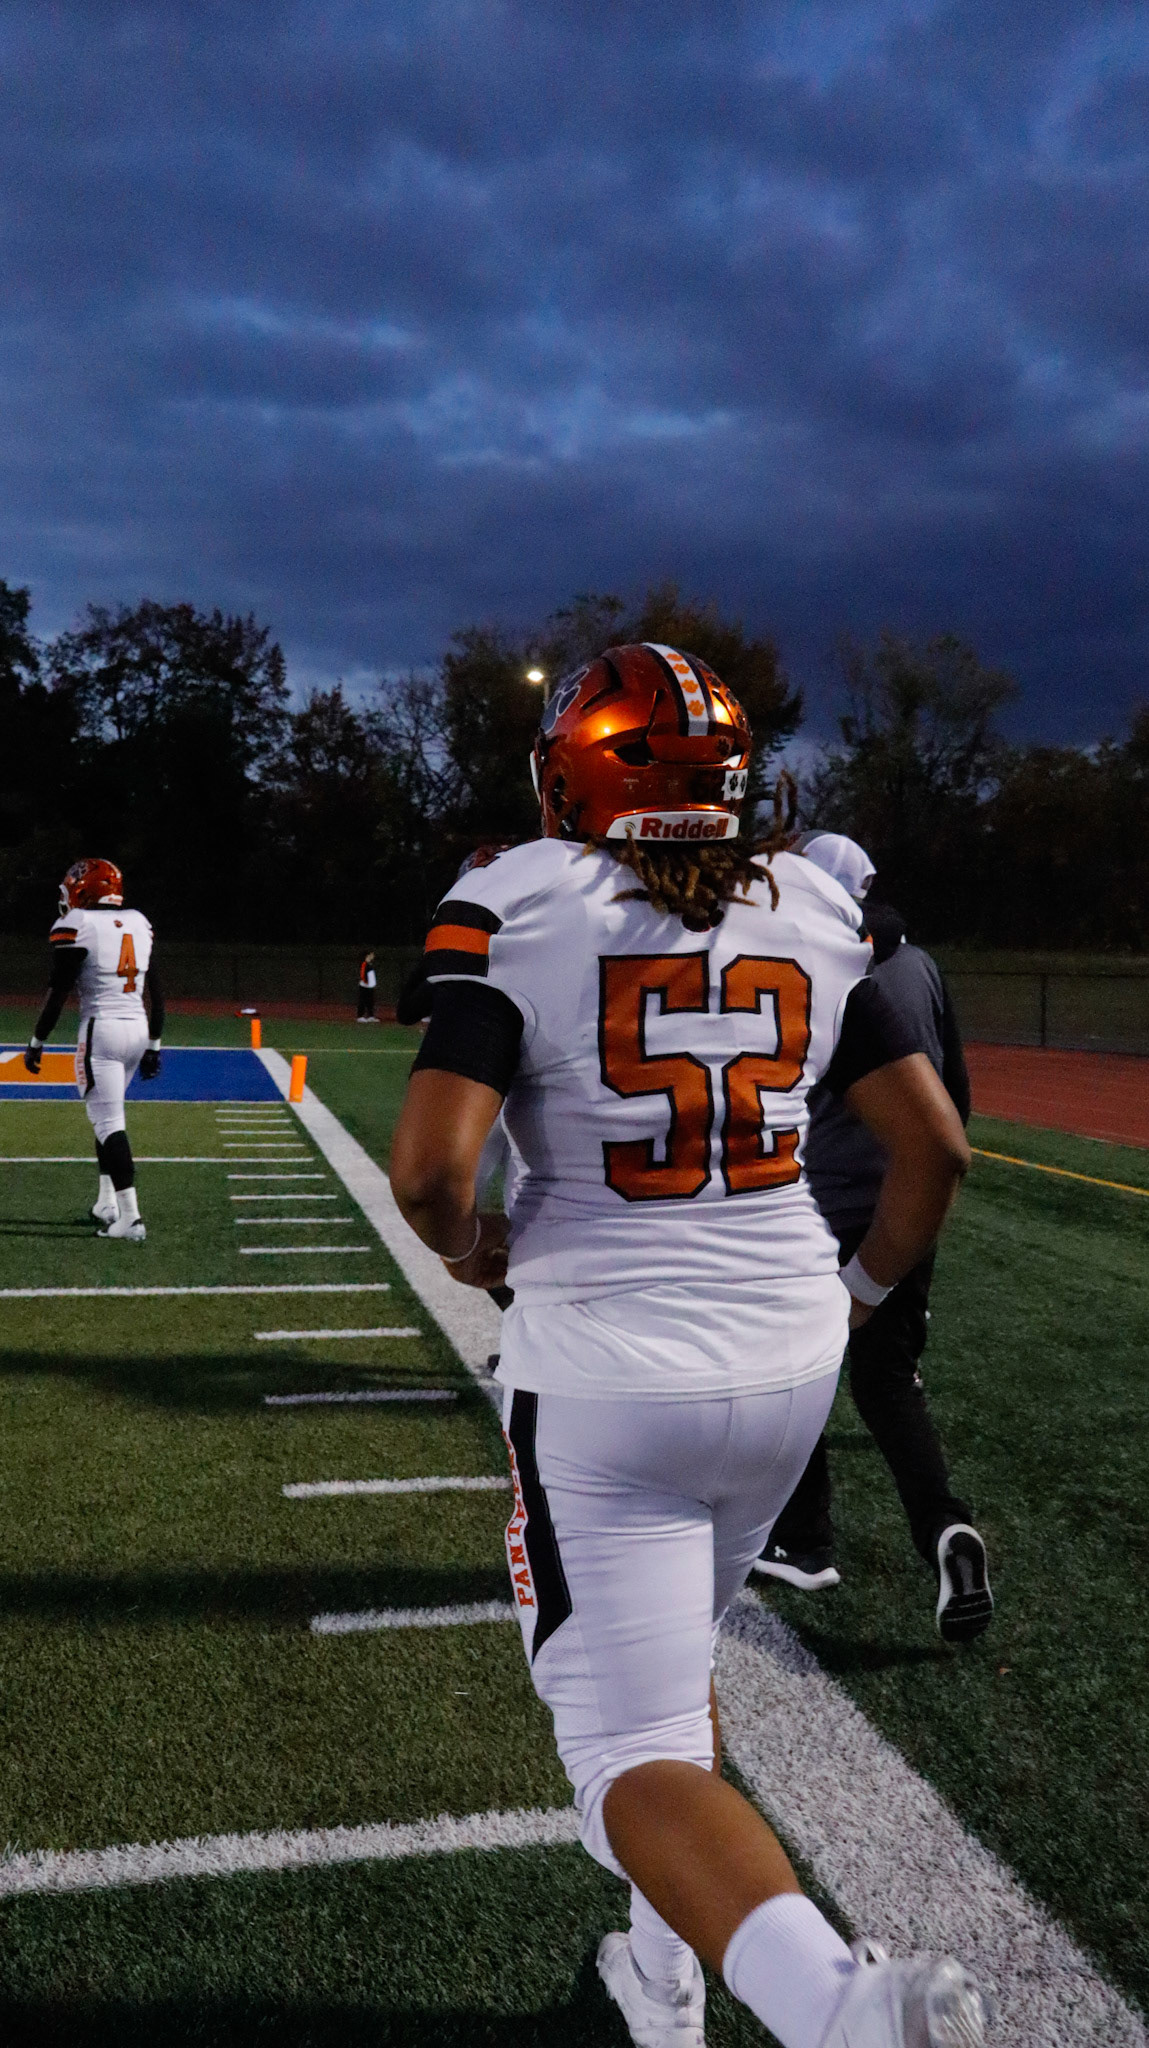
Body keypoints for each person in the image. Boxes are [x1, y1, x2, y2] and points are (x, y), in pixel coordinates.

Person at [390, 643, 986, 2048]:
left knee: (622, 1754)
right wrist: (852, 1298)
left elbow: (430, 1172)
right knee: (675, 1686)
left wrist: (475, 1253)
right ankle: (663, 1986)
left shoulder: (521, 895)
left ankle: (835, 2006)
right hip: (788, 1361)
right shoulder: (815, 902)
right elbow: (936, 1149)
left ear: (569, 780)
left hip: (609, 1374)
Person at [755, 835, 993, 1645]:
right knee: (888, 1380)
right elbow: (951, 1095)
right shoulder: (919, 965)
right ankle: (943, 1526)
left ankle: (803, 1540)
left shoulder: (806, 961)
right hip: (909, 1197)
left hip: (822, 1198)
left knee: (794, 1369)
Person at [24, 858, 163, 1242]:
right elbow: (156, 992)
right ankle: (107, 1203)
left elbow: (58, 990)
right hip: (137, 1029)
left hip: (102, 1031)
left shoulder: (78, 924)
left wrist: (37, 1040)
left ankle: (130, 1218)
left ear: (85, 890)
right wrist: (154, 1044)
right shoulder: (139, 922)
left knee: (109, 1123)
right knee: (107, 1116)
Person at [356, 949, 378, 1021]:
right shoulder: (364, 964)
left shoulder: (370, 964)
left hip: (370, 987)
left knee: (370, 1002)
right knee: (362, 1001)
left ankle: (371, 1016)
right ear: (368, 955)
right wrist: (367, 983)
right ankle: (360, 1017)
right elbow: (363, 975)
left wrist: (372, 984)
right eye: (372, 954)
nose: (373, 956)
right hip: (364, 986)